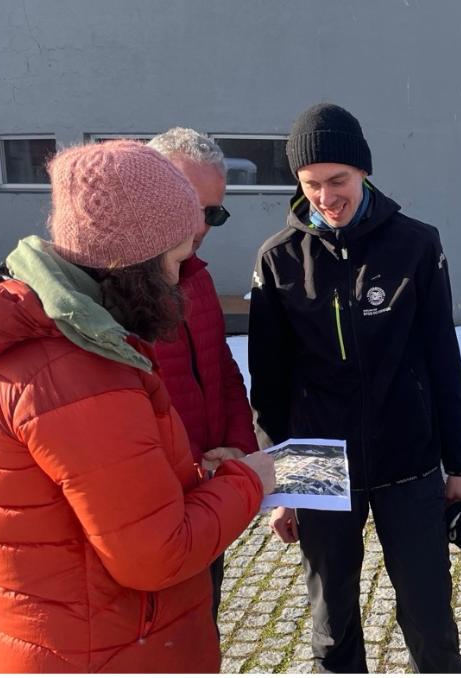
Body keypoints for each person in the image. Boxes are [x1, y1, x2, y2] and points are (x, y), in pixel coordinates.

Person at [0, 140, 276, 673]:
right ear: (134, 261)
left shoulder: (55, 337)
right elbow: (156, 553)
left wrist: (200, 477)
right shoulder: (77, 372)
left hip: (80, 639)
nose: (180, 277)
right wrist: (252, 481)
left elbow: (102, 502)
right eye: (174, 260)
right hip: (106, 651)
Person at [249, 103, 461, 673]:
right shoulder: (277, 259)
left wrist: (460, 468)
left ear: (364, 171)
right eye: (312, 183)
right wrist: (279, 488)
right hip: (318, 462)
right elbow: (268, 383)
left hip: (409, 456)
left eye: (338, 180)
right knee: (332, 619)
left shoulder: (417, 245)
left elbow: (443, 358)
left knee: (428, 615)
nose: (326, 196)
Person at [147, 128, 257, 627]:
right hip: (150, 515)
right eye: (188, 204)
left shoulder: (197, 276)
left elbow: (221, 368)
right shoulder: (111, 294)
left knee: (200, 631)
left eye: (213, 213)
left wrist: (236, 447)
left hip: (202, 502)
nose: (201, 225)